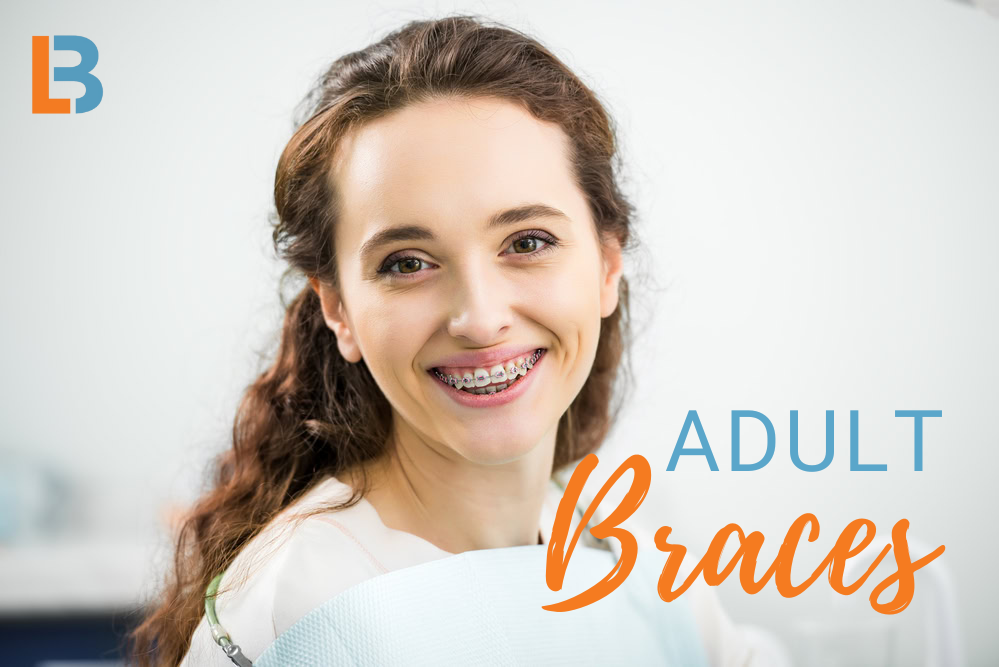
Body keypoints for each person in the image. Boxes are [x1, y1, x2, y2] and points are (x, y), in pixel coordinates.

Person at [127, 14, 773, 666]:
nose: (479, 317)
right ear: (339, 308)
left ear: (607, 266)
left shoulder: (632, 565)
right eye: (407, 261)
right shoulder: (305, 609)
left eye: (526, 243)